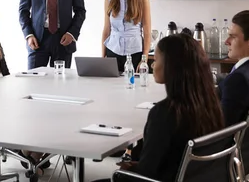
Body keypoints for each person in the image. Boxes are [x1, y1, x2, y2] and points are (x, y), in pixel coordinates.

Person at [94, 34, 225, 182]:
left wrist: (130, 169)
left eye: (156, 60)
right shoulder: (211, 104)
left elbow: (145, 174)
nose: (152, 65)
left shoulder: (165, 113)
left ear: (171, 66)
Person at [101, 0, 152, 72]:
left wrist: (144, 59)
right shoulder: (108, 0)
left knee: (134, 86)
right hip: (113, 51)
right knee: (112, 88)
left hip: (135, 53)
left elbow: (147, 31)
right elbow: (106, 30)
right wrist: (103, 56)